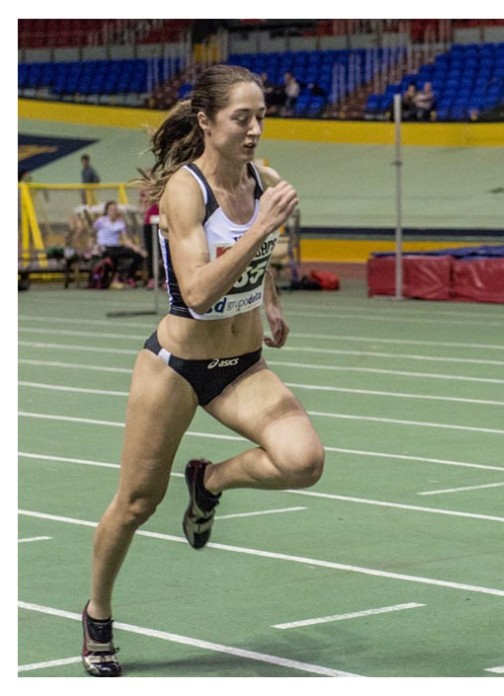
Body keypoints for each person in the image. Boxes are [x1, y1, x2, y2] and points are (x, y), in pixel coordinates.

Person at [80, 64, 325, 677]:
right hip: (178, 366)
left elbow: (252, 253)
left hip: (240, 365)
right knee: (136, 503)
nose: (254, 130)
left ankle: (209, 482)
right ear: (207, 121)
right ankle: (98, 612)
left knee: (304, 460)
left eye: (261, 117)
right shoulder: (185, 193)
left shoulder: (259, 178)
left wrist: (269, 296)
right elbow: (194, 292)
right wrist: (265, 225)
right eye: (242, 118)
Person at [93, 200, 146, 288]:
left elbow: (125, 240)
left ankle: (129, 277)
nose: (113, 212)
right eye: (111, 209)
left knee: (137, 255)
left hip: (116, 246)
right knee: (111, 255)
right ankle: (114, 278)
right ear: (107, 211)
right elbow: (91, 233)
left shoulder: (120, 223)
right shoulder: (101, 221)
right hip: (103, 247)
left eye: (115, 209)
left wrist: (136, 248)